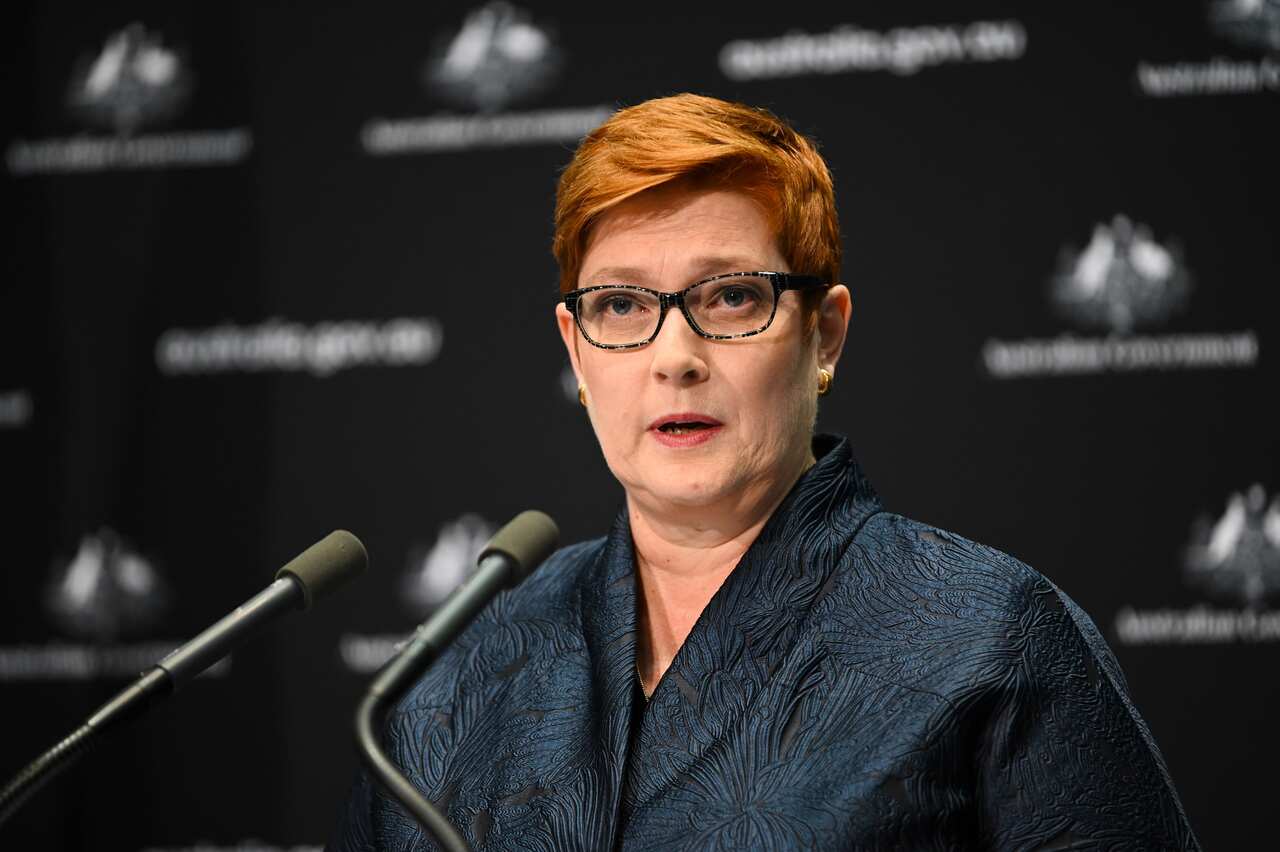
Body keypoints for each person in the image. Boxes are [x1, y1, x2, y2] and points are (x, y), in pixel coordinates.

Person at [330, 94, 1200, 850]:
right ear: (577, 352)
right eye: (623, 306)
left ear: (824, 335)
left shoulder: (988, 636)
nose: (675, 356)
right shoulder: (462, 668)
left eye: (732, 297)